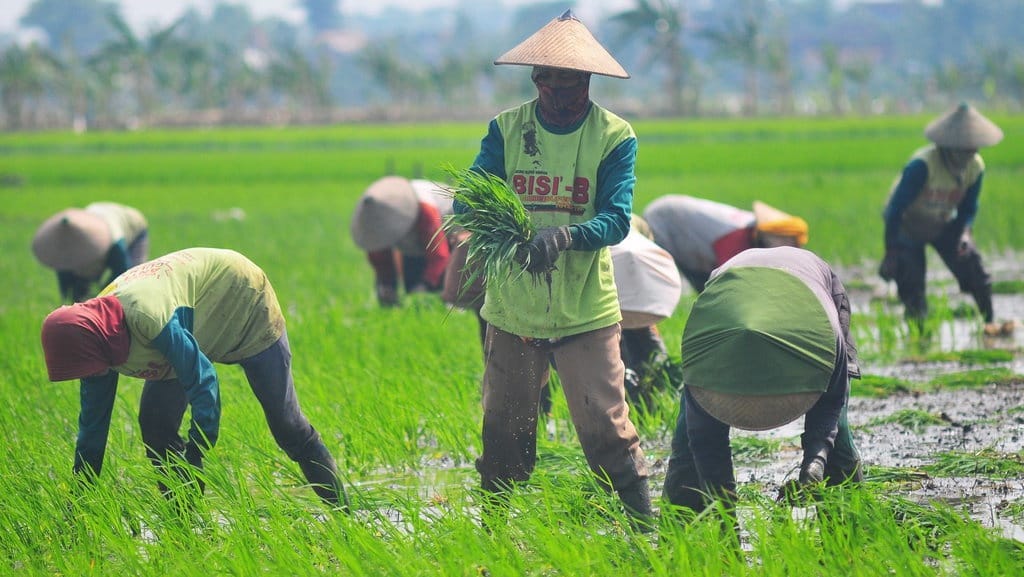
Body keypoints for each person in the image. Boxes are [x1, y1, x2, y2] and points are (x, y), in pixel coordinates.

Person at [460, 9, 652, 526]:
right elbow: (469, 201)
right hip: (513, 311)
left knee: (606, 430)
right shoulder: (507, 130)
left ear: (589, 82)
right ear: (537, 81)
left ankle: (646, 533)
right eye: (553, 88)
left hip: (584, 311)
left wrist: (566, 234)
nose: (564, 100)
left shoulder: (614, 136)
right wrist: (497, 225)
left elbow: (615, 220)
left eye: (575, 88)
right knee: (503, 431)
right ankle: (494, 534)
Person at [40, 247, 348, 509]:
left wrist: (196, 452)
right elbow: (92, 430)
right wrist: (80, 503)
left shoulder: (147, 317)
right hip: (193, 323)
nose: (91, 376)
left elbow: (204, 382)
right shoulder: (92, 346)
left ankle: (344, 515)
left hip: (240, 296)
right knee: (157, 430)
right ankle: (189, 530)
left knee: (288, 425)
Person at [663, 246, 863, 527]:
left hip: (813, 284)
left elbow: (831, 403)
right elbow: (705, 439)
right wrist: (724, 517)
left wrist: (816, 460)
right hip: (730, 290)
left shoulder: (823, 339)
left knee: (836, 441)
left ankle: (846, 534)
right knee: (688, 444)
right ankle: (681, 534)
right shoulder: (706, 353)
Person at [879, 102, 1003, 330]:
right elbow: (895, 210)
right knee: (913, 288)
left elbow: (968, 209)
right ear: (949, 147)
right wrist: (891, 250)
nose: (971, 153)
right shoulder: (922, 166)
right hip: (908, 226)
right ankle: (919, 338)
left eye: (974, 148)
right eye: (965, 149)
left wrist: (965, 233)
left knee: (975, 269)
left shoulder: (976, 167)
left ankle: (990, 325)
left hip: (942, 224)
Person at [643, 195, 809, 293]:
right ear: (771, 235)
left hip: (682, 220)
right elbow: (727, 280)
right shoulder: (737, 238)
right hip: (664, 222)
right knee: (658, 288)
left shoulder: (755, 233)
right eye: (785, 240)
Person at [612, 214, 683, 408]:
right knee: (616, 353)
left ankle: (652, 395)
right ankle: (632, 398)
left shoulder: (639, 226)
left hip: (635, 280)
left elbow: (646, 273)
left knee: (650, 351)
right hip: (607, 284)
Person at [351, 175, 452, 307]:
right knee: (412, 289)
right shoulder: (379, 217)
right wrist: (386, 284)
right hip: (415, 245)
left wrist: (426, 284)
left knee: (446, 288)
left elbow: (439, 254)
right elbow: (378, 252)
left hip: (450, 235)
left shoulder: (426, 210)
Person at [32, 202, 150, 303]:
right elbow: (66, 284)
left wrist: (101, 297)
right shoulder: (67, 247)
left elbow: (124, 273)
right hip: (100, 215)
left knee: (130, 289)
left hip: (134, 227)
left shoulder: (115, 242)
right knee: (80, 292)